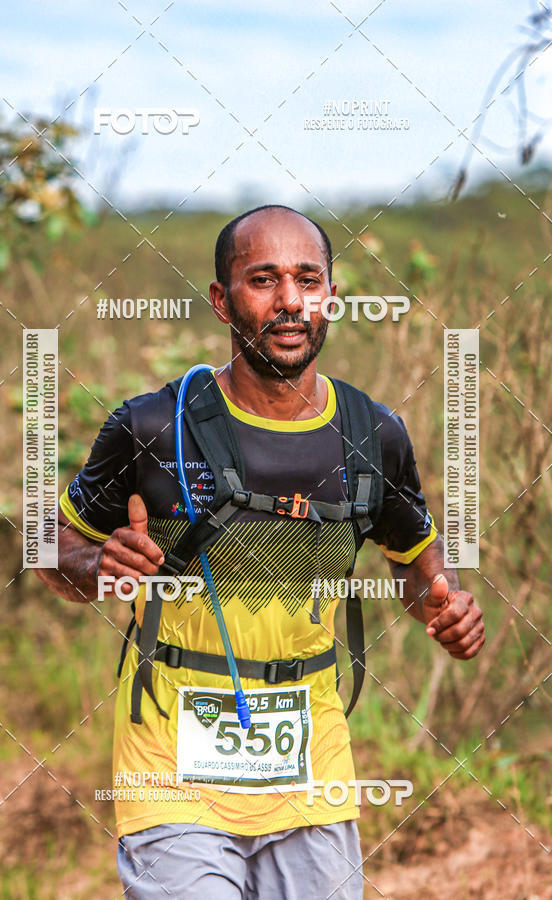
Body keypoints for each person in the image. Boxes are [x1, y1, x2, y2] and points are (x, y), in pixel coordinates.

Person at [35, 204, 485, 899]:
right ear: (222, 299)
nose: (289, 302)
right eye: (262, 280)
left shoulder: (373, 433)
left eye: (308, 280)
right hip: (170, 761)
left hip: (313, 764)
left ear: (332, 294)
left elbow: (414, 557)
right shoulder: (154, 426)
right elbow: (52, 551)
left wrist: (444, 606)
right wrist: (98, 568)